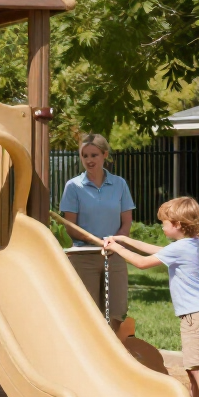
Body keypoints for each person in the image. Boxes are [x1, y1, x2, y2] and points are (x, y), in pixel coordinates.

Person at [104, 198, 199, 397]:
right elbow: (156, 251)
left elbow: (141, 263)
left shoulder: (182, 248)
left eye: (165, 222)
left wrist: (116, 248)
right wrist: (125, 239)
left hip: (194, 315)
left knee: (197, 368)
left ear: (178, 225)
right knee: (192, 366)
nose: (161, 226)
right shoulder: (191, 244)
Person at [59, 134, 136, 330]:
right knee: (87, 311)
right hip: (83, 256)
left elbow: (126, 222)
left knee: (117, 310)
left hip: (115, 254)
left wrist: (114, 244)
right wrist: (98, 243)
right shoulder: (73, 186)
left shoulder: (120, 184)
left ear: (104, 155)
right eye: (85, 156)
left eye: (94, 155)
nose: (89, 160)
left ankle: (116, 353)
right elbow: (71, 228)